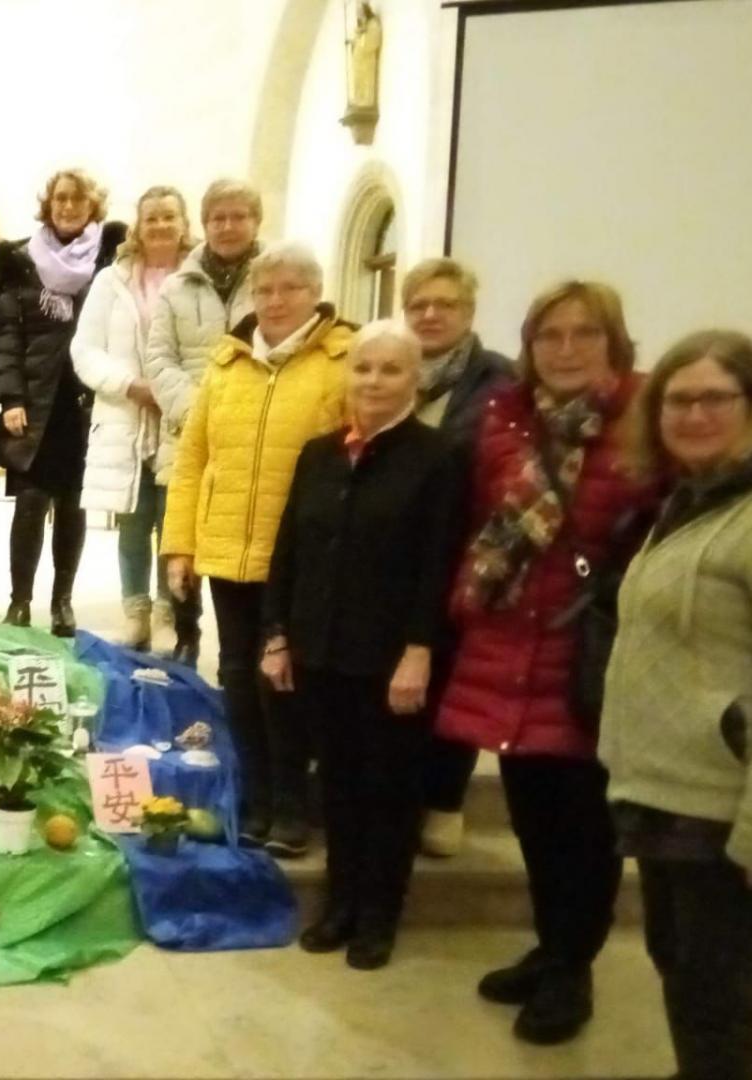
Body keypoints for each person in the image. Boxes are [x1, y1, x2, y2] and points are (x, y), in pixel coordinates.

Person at [438, 280, 659, 1046]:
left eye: (584, 334)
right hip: (509, 645)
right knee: (535, 816)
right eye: (549, 336)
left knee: (584, 828)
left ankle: (573, 968)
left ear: (615, 343)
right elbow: (477, 525)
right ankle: (551, 945)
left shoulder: (645, 422)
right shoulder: (506, 419)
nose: (564, 350)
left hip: (589, 656)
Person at [602, 329, 752, 1080]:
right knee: (686, 972)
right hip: (674, 794)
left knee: (719, 993)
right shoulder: (698, 502)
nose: (694, 413)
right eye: (677, 399)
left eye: (715, 398)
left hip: (733, 808)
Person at [263, 320, 459, 971]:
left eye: (391, 370)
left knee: (390, 792)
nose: (374, 381)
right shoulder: (319, 454)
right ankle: (339, 905)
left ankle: (379, 916)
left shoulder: (438, 457)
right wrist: (277, 634)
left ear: (416, 379)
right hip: (320, 650)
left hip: (390, 660)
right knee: (339, 788)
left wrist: (420, 648)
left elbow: (439, 565)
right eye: (364, 368)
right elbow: (287, 550)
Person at [160, 242, 352, 859]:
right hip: (229, 548)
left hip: (301, 558)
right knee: (239, 675)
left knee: (287, 682)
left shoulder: (341, 362)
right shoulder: (228, 363)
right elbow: (192, 460)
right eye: (265, 290)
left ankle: (294, 804)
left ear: (314, 294)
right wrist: (180, 544)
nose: (274, 301)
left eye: (290, 289)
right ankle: (258, 796)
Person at [398, 258, 518, 859]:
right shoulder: (389, 368)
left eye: (444, 304)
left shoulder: (500, 383)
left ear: (469, 312)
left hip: (466, 553)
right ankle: (397, 796)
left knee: (450, 682)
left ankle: (443, 800)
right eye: (419, 303)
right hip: (393, 556)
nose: (430, 314)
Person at [0, 167, 124, 636]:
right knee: (29, 505)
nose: (68, 207)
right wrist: (9, 396)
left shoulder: (110, 262)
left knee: (73, 506)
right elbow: (7, 335)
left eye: (78, 199)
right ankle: (19, 601)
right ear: (48, 204)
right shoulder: (22, 261)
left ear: (93, 206)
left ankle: (62, 602)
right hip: (34, 400)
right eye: (61, 199)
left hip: (84, 403)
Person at [144, 178, 263, 661]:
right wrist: (199, 411)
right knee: (181, 542)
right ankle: (186, 637)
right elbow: (159, 359)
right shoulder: (177, 287)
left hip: (253, 434)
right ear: (205, 223)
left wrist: (235, 414)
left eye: (238, 216)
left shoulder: (273, 279)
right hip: (189, 432)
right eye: (218, 217)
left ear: (256, 222)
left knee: (245, 546)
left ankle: (244, 648)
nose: (228, 226)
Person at [74, 185, 189, 651]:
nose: (160, 226)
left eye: (169, 217)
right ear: (137, 227)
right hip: (128, 417)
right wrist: (131, 386)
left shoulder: (196, 278)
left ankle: (168, 614)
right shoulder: (111, 281)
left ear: (184, 225)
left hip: (180, 418)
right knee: (135, 520)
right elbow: (84, 350)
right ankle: (135, 613)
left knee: (175, 522)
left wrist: (175, 394)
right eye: (151, 218)